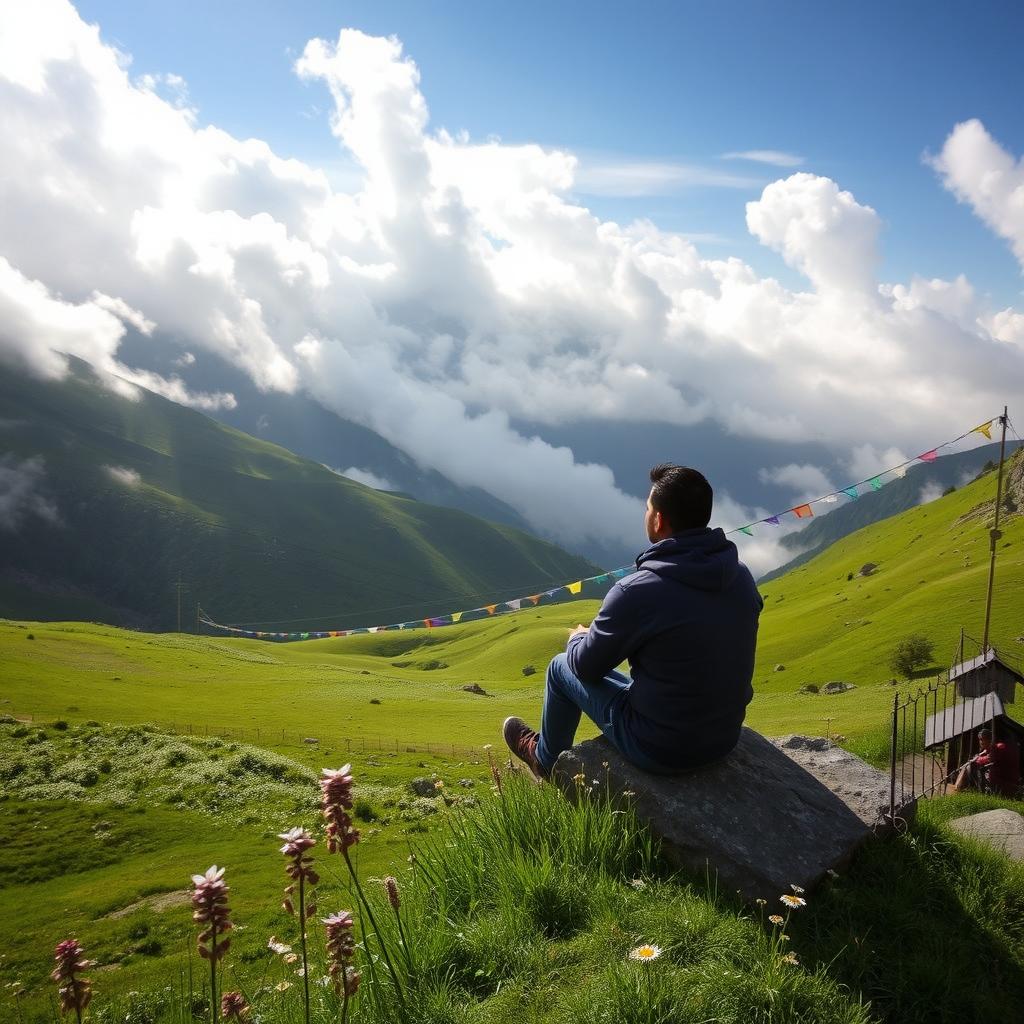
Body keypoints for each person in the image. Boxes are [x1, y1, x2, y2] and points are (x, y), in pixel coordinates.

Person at [503, 464, 763, 779]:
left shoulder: (636, 591)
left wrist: (576, 638)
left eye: (648, 507)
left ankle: (544, 758)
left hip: (662, 749)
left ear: (658, 519)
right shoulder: (742, 577)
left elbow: (585, 667)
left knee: (561, 666)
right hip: (724, 737)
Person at [953, 728, 1022, 797]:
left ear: (990, 739)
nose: (981, 742)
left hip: (1005, 779)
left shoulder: (1000, 746)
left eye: (982, 739)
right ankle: (959, 788)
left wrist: (977, 759)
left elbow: (989, 758)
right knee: (968, 766)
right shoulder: (991, 749)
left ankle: (958, 789)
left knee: (969, 766)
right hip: (998, 777)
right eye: (980, 739)